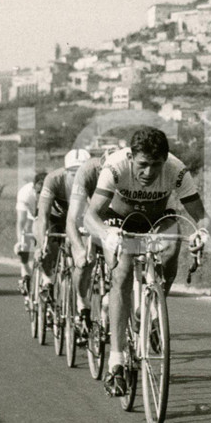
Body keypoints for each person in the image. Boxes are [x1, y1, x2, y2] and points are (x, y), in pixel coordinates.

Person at [83, 127, 211, 396]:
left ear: (166, 160)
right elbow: (90, 215)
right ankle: (116, 360)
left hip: (157, 219)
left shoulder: (176, 169)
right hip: (118, 222)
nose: (149, 173)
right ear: (131, 157)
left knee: (173, 243)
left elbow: (202, 216)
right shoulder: (115, 166)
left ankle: (151, 307)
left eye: (156, 165)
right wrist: (106, 234)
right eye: (142, 165)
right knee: (123, 272)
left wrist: (203, 233)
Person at [66, 146, 116, 344]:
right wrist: (78, 250)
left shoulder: (127, 172)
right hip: (89, 213)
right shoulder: (87, 171)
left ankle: (108, 307)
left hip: (113, 215)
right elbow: (73, 219)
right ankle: (83, 303)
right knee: (86, 261)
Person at [33, 149, 91, 303]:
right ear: (65, 172)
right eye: (73, 173)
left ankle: (81, 302)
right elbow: (43, 216)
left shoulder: (93, 180)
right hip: (55, 217)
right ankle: (48, 280)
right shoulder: (53, 179)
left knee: (83, 252)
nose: (78, 177)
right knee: (48, 247)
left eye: (82, 172)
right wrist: (41, 245)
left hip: (78, 218)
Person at [15, 170, 47, 294]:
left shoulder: (53, 189)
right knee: (26, 235)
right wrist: (20, 242)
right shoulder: (25, 193)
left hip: (45, 215)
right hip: (30, 216)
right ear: (34, 188)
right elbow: (20, 222)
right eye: (39, 191)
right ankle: (25, 271)